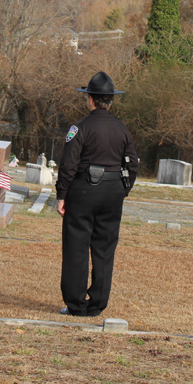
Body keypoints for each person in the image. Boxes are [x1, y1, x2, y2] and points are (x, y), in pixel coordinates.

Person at [56, 71, 139, 317]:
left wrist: (62, 194)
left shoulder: (79, 128)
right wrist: (123, 189)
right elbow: (132, 163)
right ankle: (97, 304)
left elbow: (68, 164)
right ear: (110, 100)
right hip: (113, 191)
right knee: (104, 248)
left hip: (82, 191)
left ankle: (76, 304)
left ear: (90, 99)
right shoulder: (122, 129)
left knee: (76, 247)